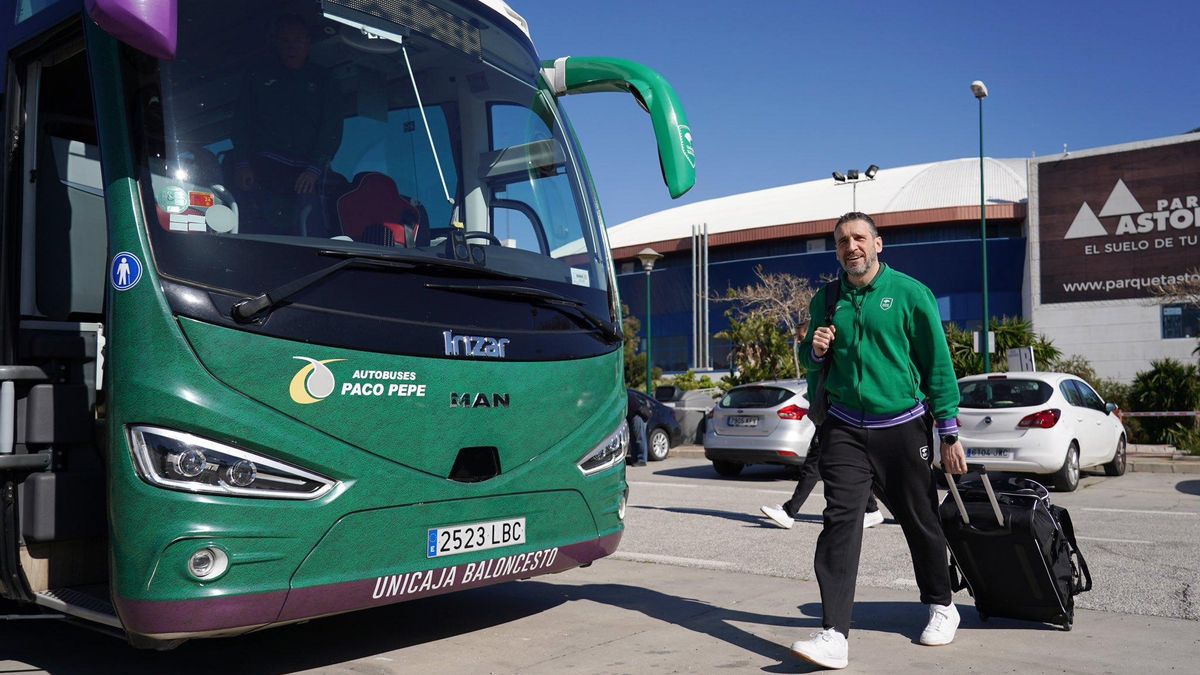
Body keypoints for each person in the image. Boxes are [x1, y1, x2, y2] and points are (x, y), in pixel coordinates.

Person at [788, 212, 968, 670]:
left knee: (920, 518)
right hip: (846, 428)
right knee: (839, 523)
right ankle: (833, 634)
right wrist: (815, 352)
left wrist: (948, 430)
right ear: (837, 250)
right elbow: (815, 371)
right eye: (843, 240)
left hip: (903, 426)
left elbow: (938, 366)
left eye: (859, 238)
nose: (851, 246)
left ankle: (942, 605)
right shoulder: (827, 300)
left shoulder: (910, 294)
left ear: (878, 244)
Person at [231, 13, 342, 236]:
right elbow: (241, 121)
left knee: (309, 229)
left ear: (309, 43)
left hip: (305, 175)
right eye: (286, 41)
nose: (292, 47)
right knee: (261, 228)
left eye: (298, 41)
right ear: (277, 43)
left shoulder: (323, 79)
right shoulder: (258, 75)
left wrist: (314, 168)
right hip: (264, 170)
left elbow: (332, 126)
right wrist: (242, 162)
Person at [759, 434, 885, 530]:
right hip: (839, 415)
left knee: (814, 465)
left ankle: (789, 512)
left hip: (832, 414)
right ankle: (871, 509)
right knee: (853, 468)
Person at [627, 389, 651, 467]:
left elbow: (635, 407)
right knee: (634, 438)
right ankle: (635, 459)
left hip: (637, 416)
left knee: (639, 438)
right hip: (635, 415)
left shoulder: (626, 394)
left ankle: (641, 460)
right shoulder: (627, 392)